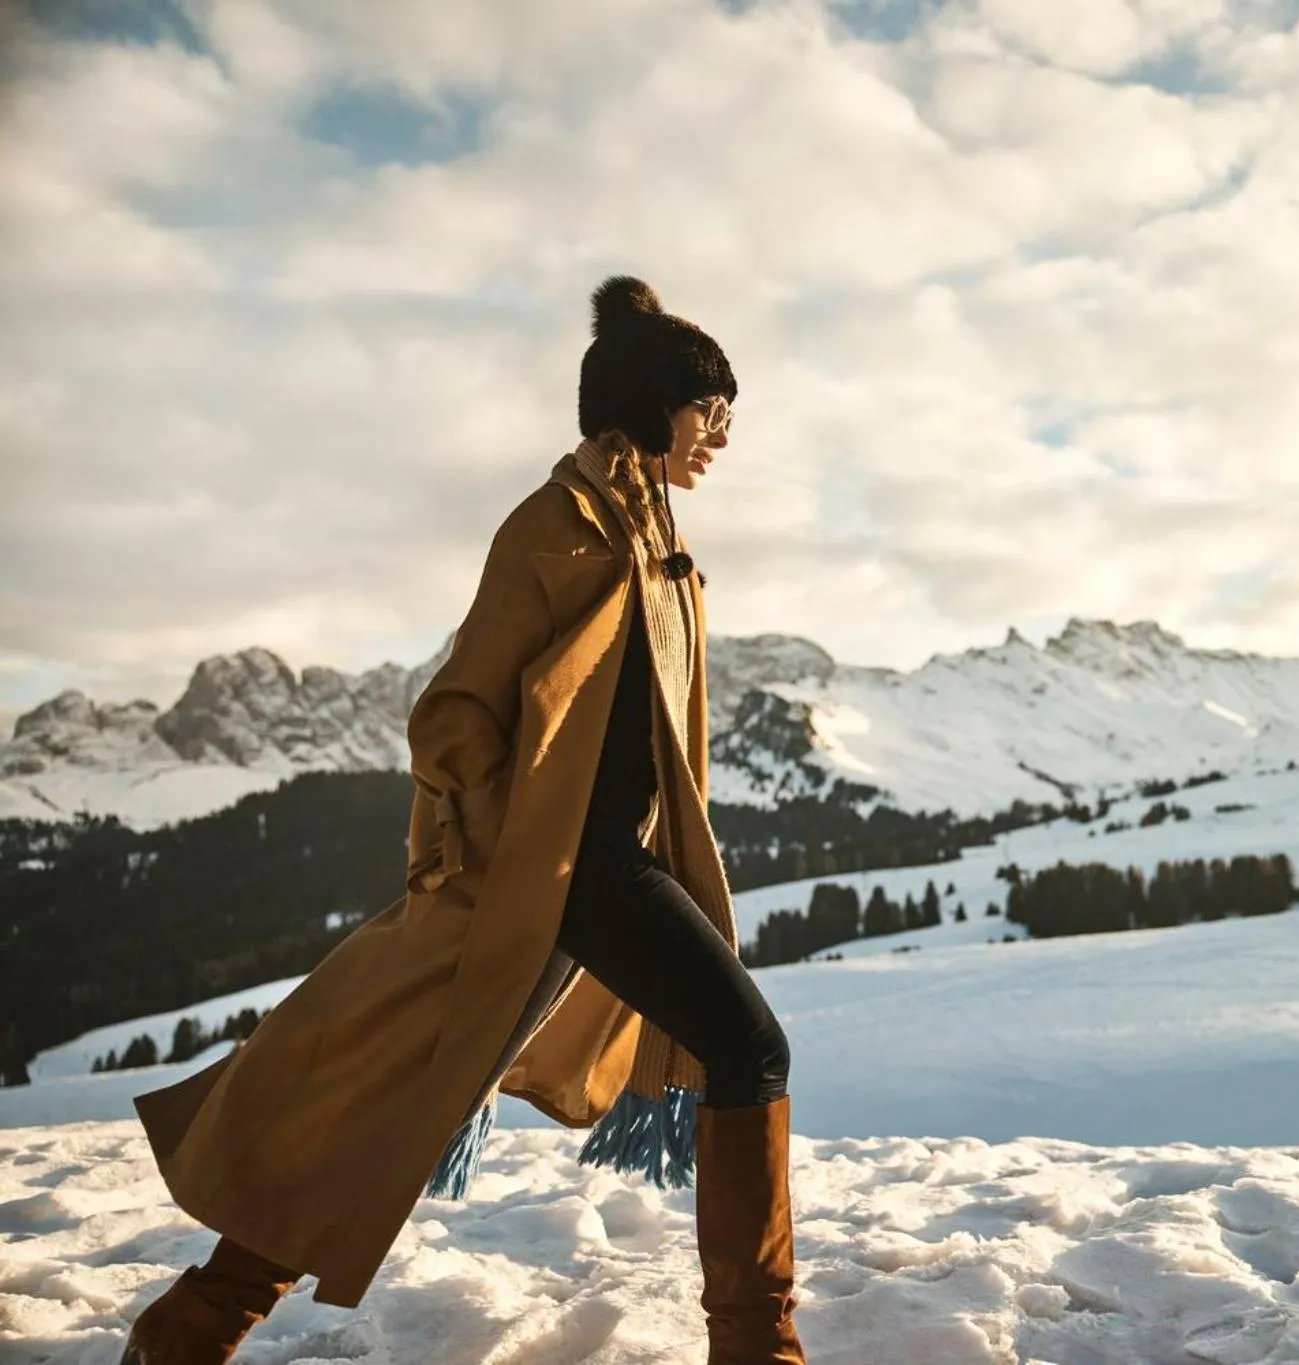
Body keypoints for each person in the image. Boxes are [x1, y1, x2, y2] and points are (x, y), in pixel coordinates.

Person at [120, 276, 805, 1364]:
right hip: (557, 868)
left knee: (414, 1088)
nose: (723, 431)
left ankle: (197, 1320)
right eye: (708, 407)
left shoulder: (656, 536)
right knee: (747, 1045)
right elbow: (454, 714)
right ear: (646, 403)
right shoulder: (555, 526)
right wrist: (484, 842)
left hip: (601, 861)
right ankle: (756, 1346)